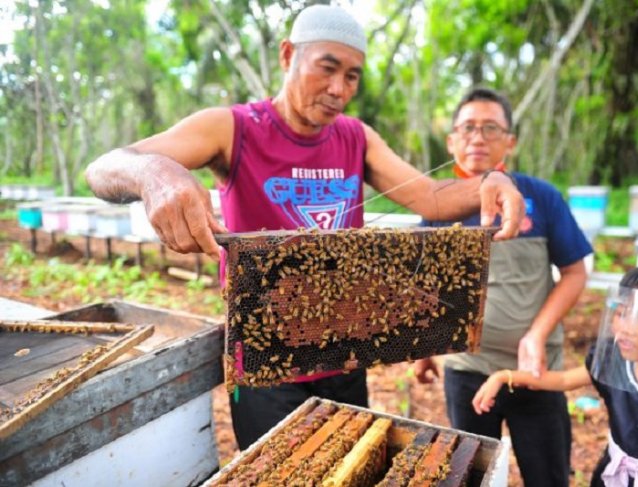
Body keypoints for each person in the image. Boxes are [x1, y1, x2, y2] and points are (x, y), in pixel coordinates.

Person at [84, 6, 525, 451]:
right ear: (288, 54)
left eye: (352, 77)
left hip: (347, 350)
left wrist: (492, 182)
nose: (339, 89)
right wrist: (155, 174)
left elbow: (431, 197)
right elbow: (105, 167)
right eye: (327, 68)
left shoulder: (357, 137)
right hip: (264, 363)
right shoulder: (233, 128)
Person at [413, 87, 592, 486]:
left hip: (536, 369)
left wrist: (536, 334)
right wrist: (425, 349)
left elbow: (575, 272)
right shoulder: (436, 205)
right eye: (468, 128)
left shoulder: (541, 197)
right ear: (451, 140)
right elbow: (429, 289)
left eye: (490, 128)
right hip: (466, 369)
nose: (478, 137)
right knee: (471, 475)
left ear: (509, 141)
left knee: (547, 476)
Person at [473, 265, 638, 486]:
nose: (625, 328)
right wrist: (504, 376)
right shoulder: (614, 363)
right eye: (621, 313)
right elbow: (562, 380)